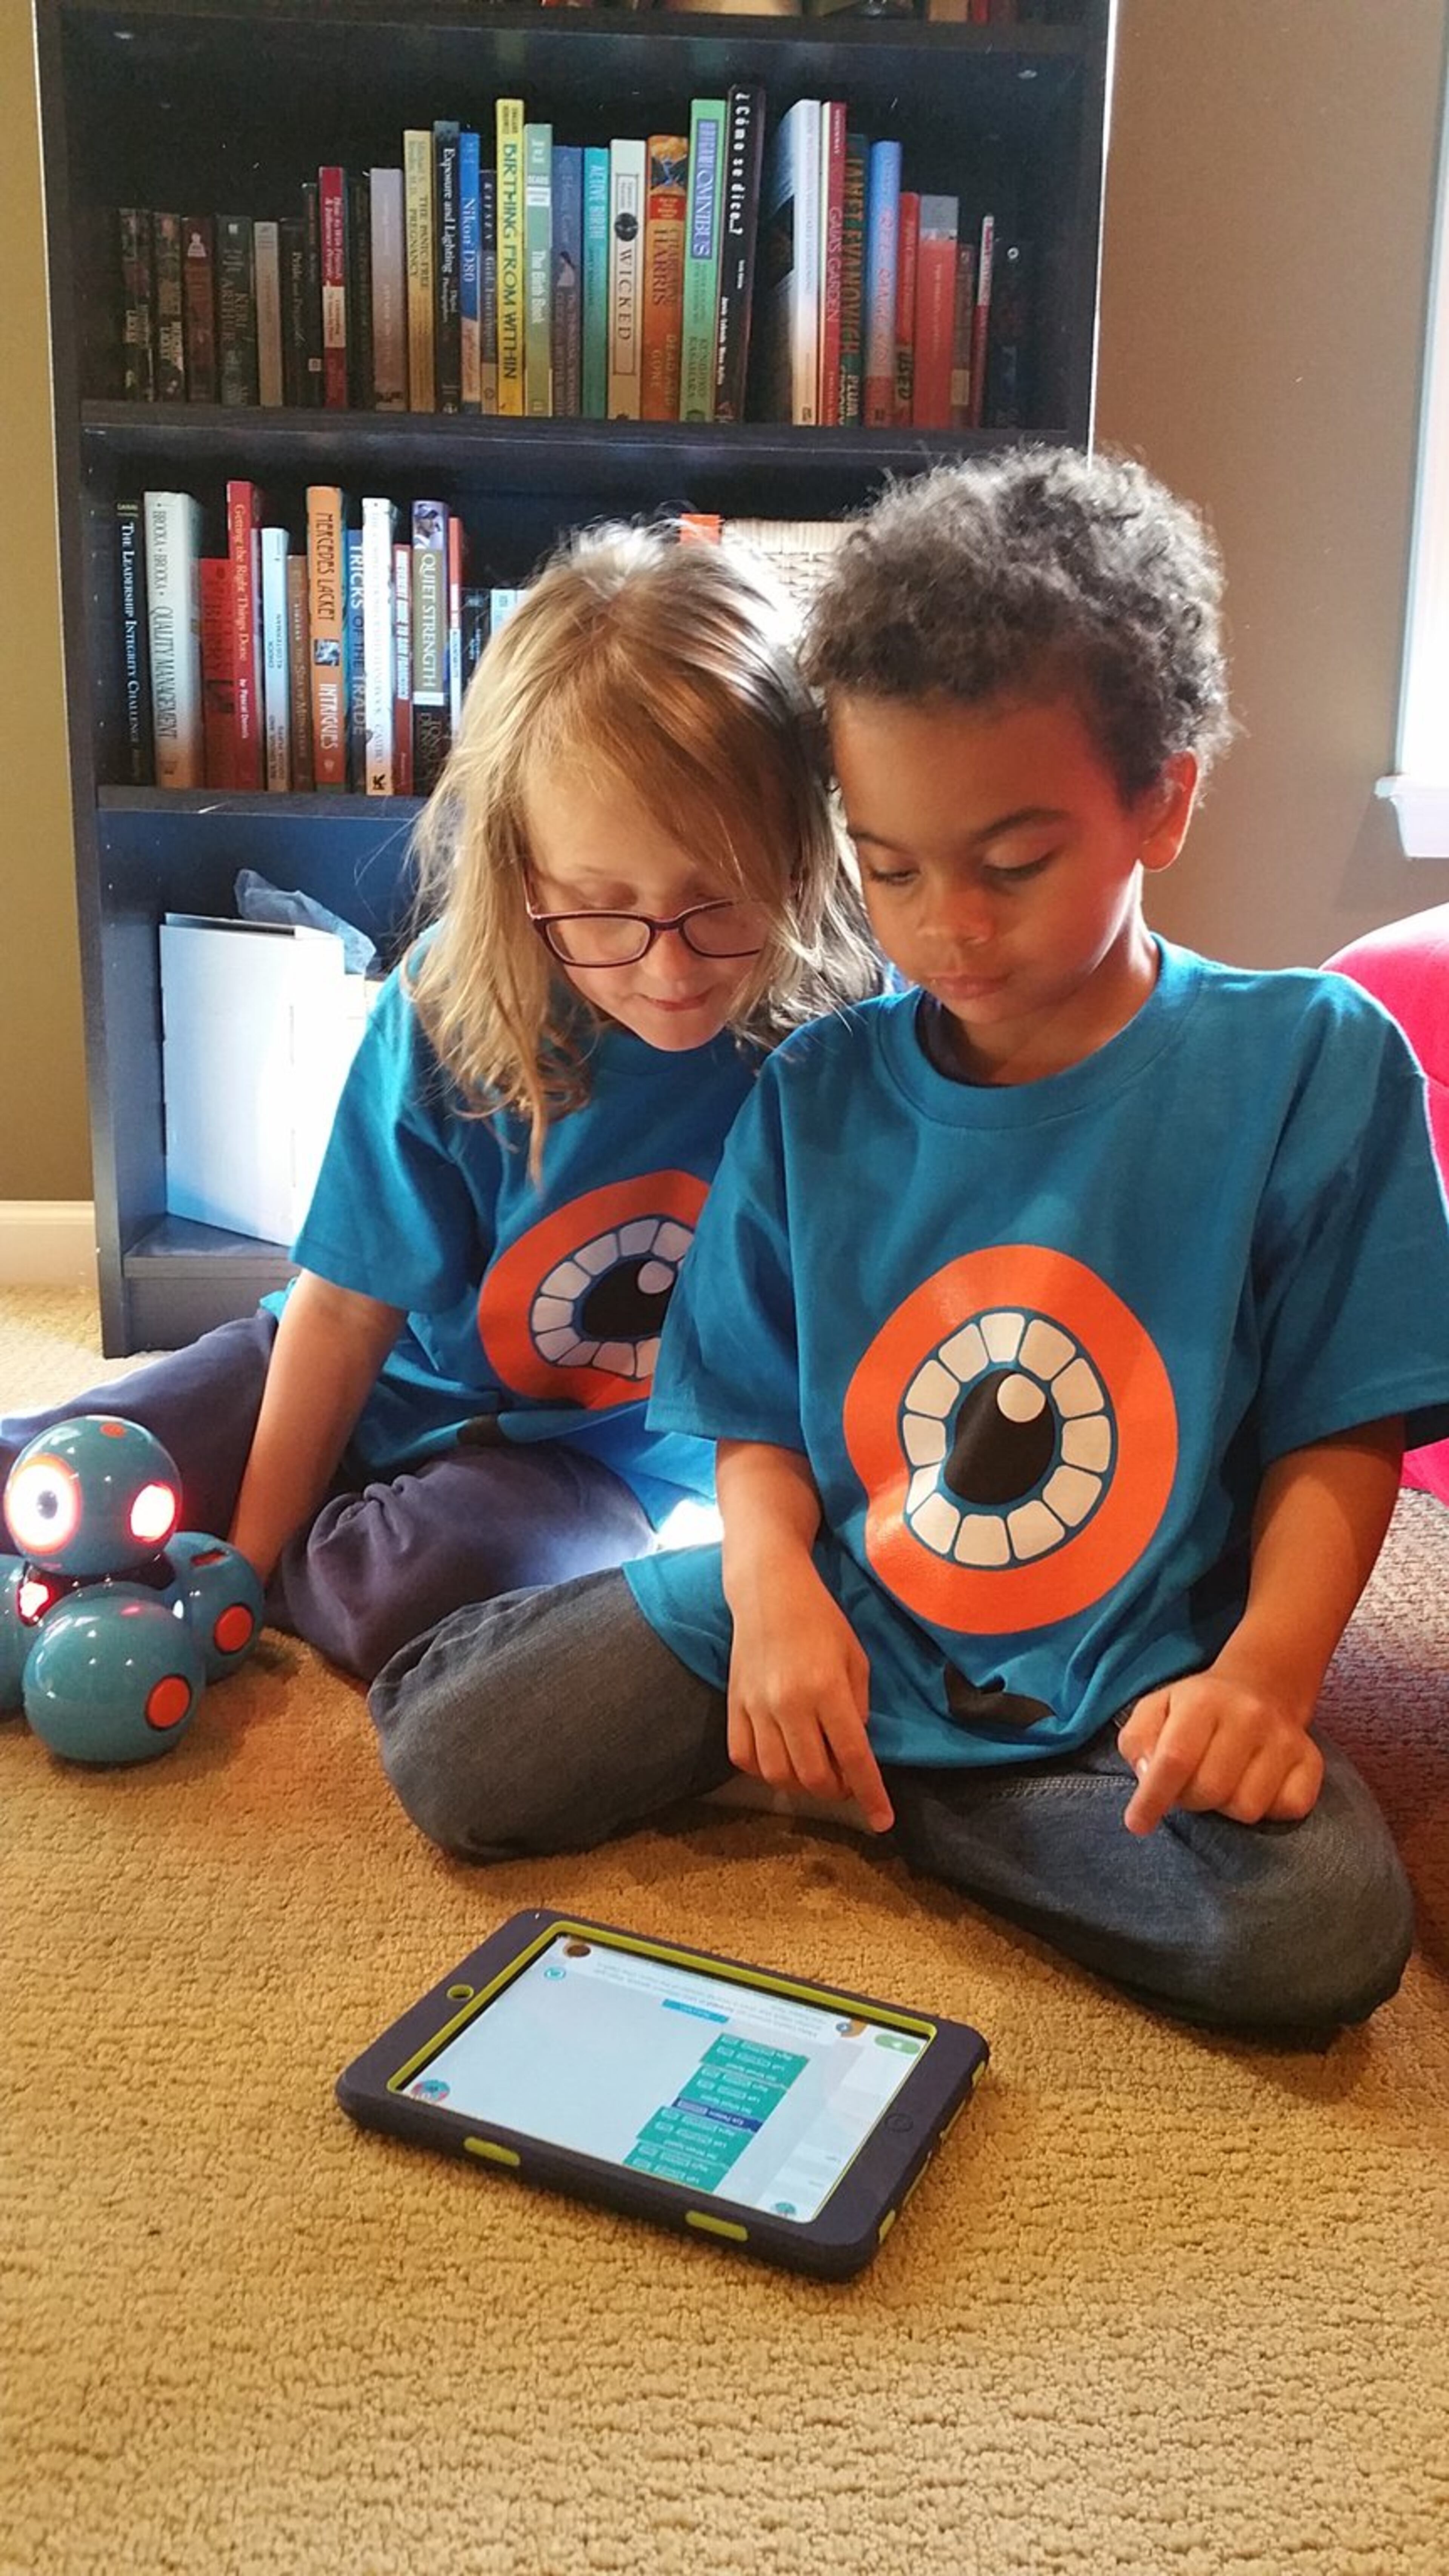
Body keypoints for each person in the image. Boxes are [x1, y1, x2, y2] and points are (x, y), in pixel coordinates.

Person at [368, 448, 1449, 2036]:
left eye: (1014, 864)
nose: (946, 925)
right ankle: (850, 1748)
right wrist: (779, 1598)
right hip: (836, 1602)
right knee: (456, 1752)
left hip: (1114, 1678)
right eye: (886, 869)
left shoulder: (1312, 1064)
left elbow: (1339, 1429)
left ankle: (891, 1798)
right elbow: (746, 1410)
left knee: (1318, 1934)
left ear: (1163, 798)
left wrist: (1267, 1682)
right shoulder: (818, 1093)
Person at [0, 523, 878, 1679]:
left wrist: (244, 1583)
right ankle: (201, 1548)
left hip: (587, 1466)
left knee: (416, 1598)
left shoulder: (839, 1044)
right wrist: (246, 1557)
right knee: (61, 1474)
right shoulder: (453, 1010)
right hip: (348, 1380)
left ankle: (281, 1554)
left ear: (805, 856)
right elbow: (343, 1311)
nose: (668, 965)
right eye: (602, 909)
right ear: (522, 873)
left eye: (720, 901)